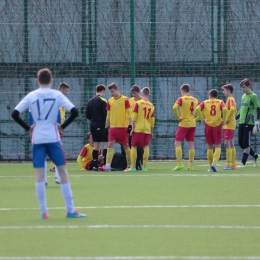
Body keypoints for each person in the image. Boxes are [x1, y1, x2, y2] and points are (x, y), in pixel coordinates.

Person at [11, 68, 86, 219]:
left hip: (37, 139)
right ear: (51, 81)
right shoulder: (57, 95)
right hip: (53, 138)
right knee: (63, 172)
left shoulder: (31, 96)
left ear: (37, 81)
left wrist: (28, 128)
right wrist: (62, 126)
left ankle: (44, 211)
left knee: (39, 175)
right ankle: (70, 210)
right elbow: (75, 112)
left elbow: (14, 114)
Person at [99, 82, 132, 172]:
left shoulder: (125, 99)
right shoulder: (110, 101)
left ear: (117, 90)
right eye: (110, 91)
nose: (111, 93)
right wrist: (106, 127)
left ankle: (129, 165)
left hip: (123, 127)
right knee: (110, 145)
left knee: (126, 146)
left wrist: (130, 125)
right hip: (113, 128)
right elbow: (108, 115)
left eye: (112, 91)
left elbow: (129, 113)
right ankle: (108, 165)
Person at [196, 89, 226, 172]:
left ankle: (210, 166)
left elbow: (198, 108)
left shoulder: (205, 102)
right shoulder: (220, 102)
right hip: (217, 126)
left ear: (210, 95)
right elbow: (225, 109)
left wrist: (202, 119)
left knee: (209, 146)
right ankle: (214, 164)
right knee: (218, 145)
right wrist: (223, 119)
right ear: (216, 96)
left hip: (208, 126)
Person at [172, 84, 199, 171]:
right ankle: (190, 165)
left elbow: (174, 108)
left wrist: (178, 118)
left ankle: (180, 164)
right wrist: (196, 119)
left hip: (184, 124)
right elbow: (202, 109)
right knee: (191, 145)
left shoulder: (181, 99)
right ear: (189, 90)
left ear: (182, 91)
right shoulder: (195, 100)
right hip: (192, 124)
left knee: (177, 143)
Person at [127, 87, 155, 172]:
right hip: (147, 129)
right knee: (146, 147)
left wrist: (132, 128)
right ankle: (145, 167)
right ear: (149, 95)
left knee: (134, 146)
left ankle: (132, 167)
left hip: (138, 128)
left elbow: (134, 117)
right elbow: (152, 120)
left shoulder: (138, 103)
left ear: (141, 94)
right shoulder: (151, 105)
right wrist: (151, 131)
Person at [236, 78, 260, 167]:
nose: (243, 89)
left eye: (244, 87)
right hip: (241, 122)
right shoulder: (243, 96)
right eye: (242, 88)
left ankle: (243, 163)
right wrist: (236, 117)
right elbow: (242, 109)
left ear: (249, 86)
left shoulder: (253, 96)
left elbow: (258, 109)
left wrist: (257, 123)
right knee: (241, 143)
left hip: (249, 123)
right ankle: (256, 156)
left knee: (246, 143)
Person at [50, 82, 70, 185]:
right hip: (55, 127)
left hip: (58, 127)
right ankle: (56, 173)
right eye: (66, 90)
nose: (66, 93)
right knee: (58, 150)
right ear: (61, 89)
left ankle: (53, 169)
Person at [86, 84, 108, 171]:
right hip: (101, 124)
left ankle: (95, 165)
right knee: (106, 143)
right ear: (103, 91)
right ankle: (106, 164)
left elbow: (87, 115)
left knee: (96, 145)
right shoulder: (103, 100)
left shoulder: (90, 101)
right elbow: (106, 115)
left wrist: (94, 119)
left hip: (93, 124)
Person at [124, 85, 144, 170]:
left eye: (135, 93)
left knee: (140, 146)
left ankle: (139, 162)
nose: (134, 95)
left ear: (139, 92)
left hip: (140, 127)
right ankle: (131, 163)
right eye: (133, 93)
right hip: (130, 126)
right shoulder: (130, 101)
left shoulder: (143, 101)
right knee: (130, 145)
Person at [222, 84, 237, 170]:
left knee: (227, 144)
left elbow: (231, 109)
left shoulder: (230, 99)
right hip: (230, 124)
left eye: (224, 90)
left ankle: (229, 164)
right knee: (231, 144)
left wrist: (227, 119)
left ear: (228, 90)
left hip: (229, 124)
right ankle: (233, 164)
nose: (223, 92)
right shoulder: (231, 99)